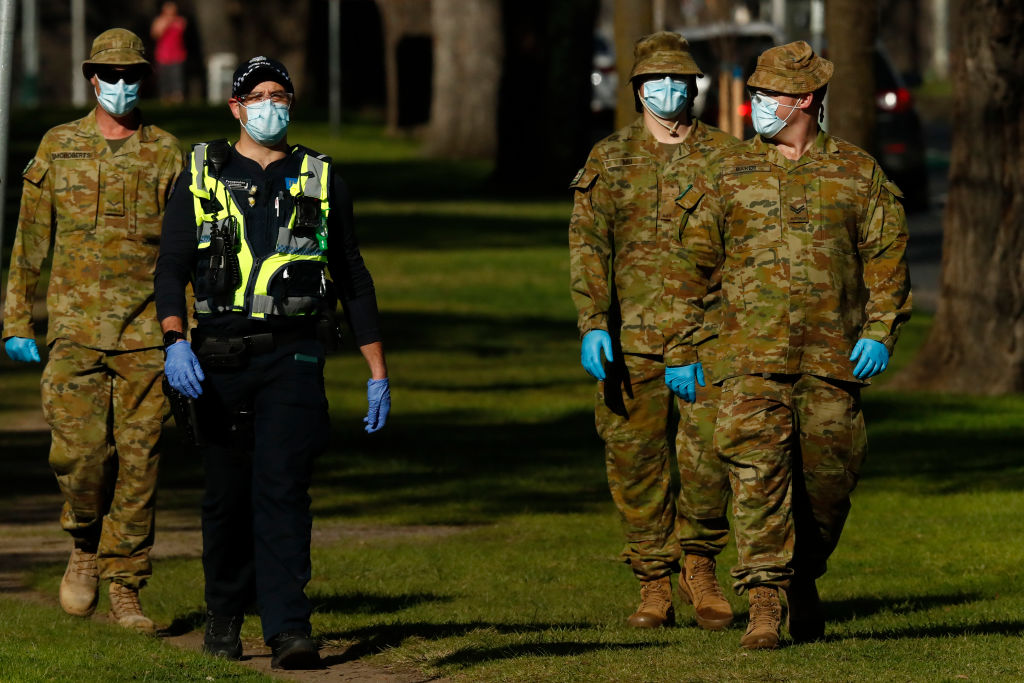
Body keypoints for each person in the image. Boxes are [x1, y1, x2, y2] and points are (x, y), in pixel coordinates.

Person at [662, 41, 912, 649]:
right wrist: (681, 350)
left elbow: (886, 259)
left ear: (804, 100)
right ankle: (765, 603)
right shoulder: (727, 174)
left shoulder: (857, 173)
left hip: (832, 363)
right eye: (754, 95)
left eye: (766, 96)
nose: (756, 106)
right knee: (756, 478)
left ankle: (803, 577)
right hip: (747, 360)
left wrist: (879, 330)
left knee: (828, 488)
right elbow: (688, 268)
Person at [154, 56, 390, 670]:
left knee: (283, 489)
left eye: (279, 94)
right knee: (227, 496)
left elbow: (352, 275)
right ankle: (225, 616)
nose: (269, 105)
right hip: (218, 360)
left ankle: (289, 627)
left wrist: (377, 371)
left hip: (295, 355)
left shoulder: (320, 176)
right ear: (235, 107)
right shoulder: (202, 172)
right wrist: (175, 338)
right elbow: (171, 266)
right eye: (256, 95)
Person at [1, 28, 183, 633]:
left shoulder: (166, 152)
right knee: (79, 457)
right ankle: (84, 542)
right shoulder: (59, 146)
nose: (122, 86)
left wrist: (187, 332)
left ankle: (125, 584)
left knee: (140, 462)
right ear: (91, 78)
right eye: (111, 76)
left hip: (147, 333)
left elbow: (187, 251)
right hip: (74, 330)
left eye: (132, 75)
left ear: (145, 79)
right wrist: (15, 319)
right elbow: (30, 240)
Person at [568, 32, 736, 631]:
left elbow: (745, 255)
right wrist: (591, 322)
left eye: (679, 82)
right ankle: (652, 583)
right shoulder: (609, 159)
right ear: (637, 91)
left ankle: (701, 569)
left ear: (695, 88)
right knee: (635, 466)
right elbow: (589, 245)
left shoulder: (730, 160)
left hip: (709, 343)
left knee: (709, 464)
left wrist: (705, 334)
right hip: (629, 345)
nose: (669, 92)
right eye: (656, 82)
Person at [150, 2, 187, 103]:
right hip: (163, 55)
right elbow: (155, 34)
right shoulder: (159, 21)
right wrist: (166, 24)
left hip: (178, 55)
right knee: (164, 79)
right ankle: (165, 98)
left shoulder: (180, 21)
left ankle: (178, 98)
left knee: (177, 79)